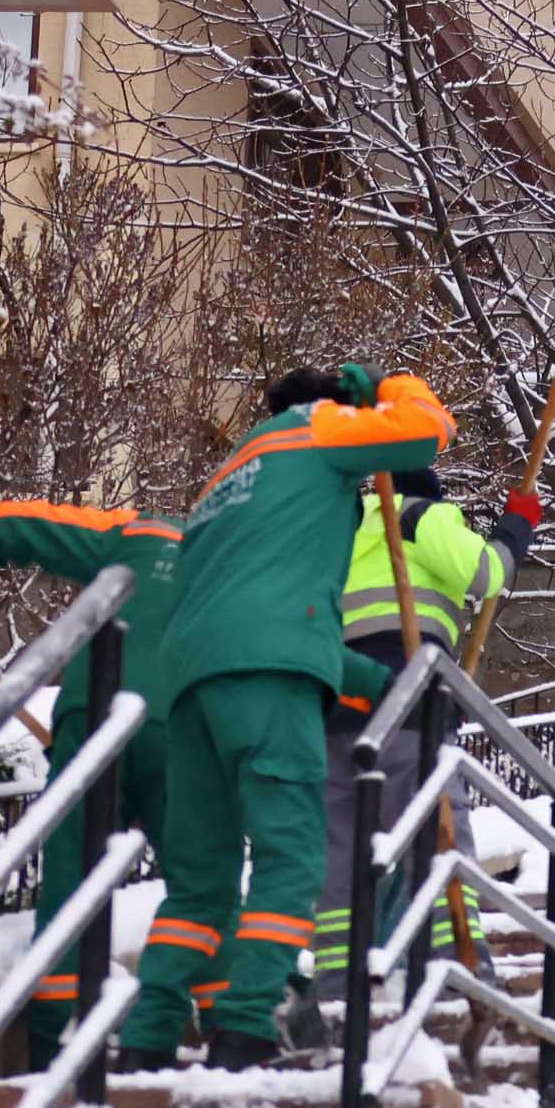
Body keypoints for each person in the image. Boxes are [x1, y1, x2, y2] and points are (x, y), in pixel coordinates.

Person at [129, 364, 455, 1069]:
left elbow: (256, 611)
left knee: (200, 882)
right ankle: (244, 1027)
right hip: (268, 679)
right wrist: (393, 389)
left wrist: (381, 686)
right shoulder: (321, 428)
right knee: (291, 858)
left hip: (189, 685)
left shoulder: (229, 476)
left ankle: (148, 1036)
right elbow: (429, 433)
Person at [0, 501, 185, 1057]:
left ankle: (55, 1041)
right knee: (201, 888)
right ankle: (211, 1030)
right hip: (180, 723)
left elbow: (4, 527)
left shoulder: (135, 534)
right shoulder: (232, 555)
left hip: (94, 710)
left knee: (71, 883)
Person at [311, 464, 544, 995]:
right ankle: (457, 962)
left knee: (341, 843)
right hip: (408, 701)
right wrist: (518, 525)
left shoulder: (341, 532)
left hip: (336, 705)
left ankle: (338, 980)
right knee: (438, 832)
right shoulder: (419, 515)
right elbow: (488, 574)